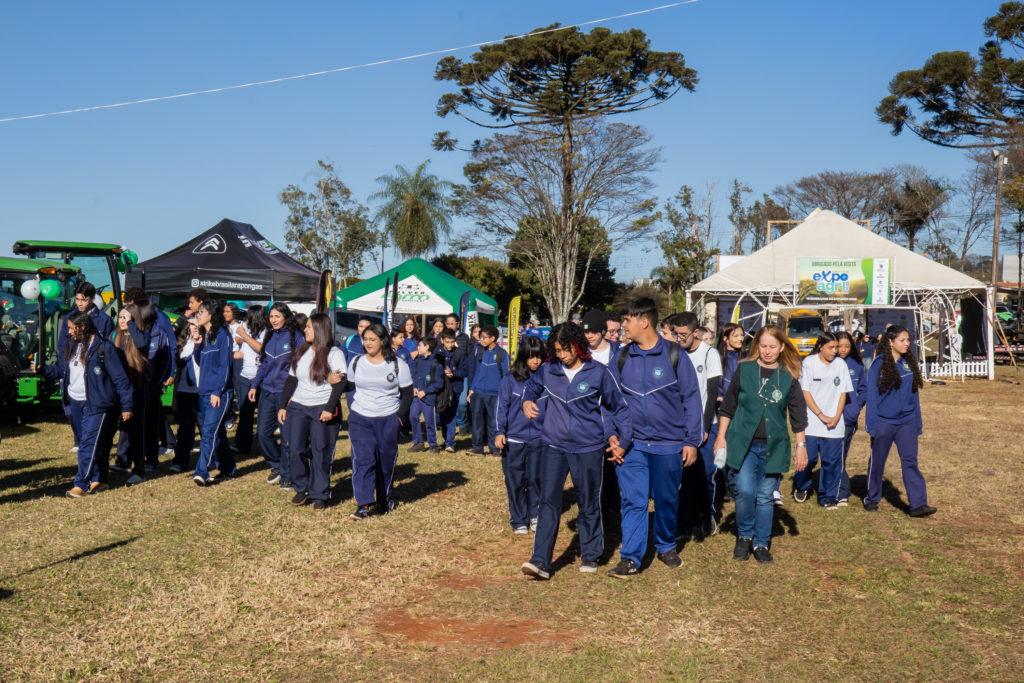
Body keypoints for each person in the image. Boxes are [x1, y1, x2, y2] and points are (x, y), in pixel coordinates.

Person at [519, 322, 631, 580]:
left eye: (565, 350)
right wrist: (526, 401)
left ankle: (591, 555)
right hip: (553, 446)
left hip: (588, 448)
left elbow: (619, 407)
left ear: (579, 346)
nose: (561, 355)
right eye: (557, 350)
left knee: (589, 501)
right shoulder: (548, 369)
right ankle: (541, 562)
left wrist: (624, 439)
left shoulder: (599, 373)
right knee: (548, 502)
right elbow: (531, 387)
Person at [607, 302, 702, 579]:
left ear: (643, 321)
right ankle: (631, 558)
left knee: (665, 499)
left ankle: (665, 545)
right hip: (632, 446)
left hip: (669, 444)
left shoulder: (674, 354)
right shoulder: (622, 357)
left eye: (627, 320)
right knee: (634, 501)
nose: (623, 326)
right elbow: (609, 401)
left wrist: (691, 441)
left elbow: (691, 399)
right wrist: (612, 434)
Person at [715, 325, 808, 563]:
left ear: (781, 347)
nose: (767, 351)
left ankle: (761, 542)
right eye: (763, 346)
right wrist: (721, 437)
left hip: (773, 446)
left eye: (772, 347)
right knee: (745, 491)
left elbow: (798, 414)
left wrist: (801, 446)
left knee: (765, 495)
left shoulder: (788, 376)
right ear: (757, 346)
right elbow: (728, 407)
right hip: (743, 444)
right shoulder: (744, 369)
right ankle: (744, 536)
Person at [36, 311, 133, 497]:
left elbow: (121, 380)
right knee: (96, 444)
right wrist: (44, 370)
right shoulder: (73, 345)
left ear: (83, 327)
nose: (69, 332)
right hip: (76, 402)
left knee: (88, 445)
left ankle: (81, 483)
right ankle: (100, 478)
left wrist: (128, 406)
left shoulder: (104, 348)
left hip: (97, 404)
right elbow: (64, 370)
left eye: (72, 328)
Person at [864, 326, 936, 517]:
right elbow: (871, 398)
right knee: (877, 462)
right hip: (883, 423)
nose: (907, 343)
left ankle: (918, 504)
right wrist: (872, 425)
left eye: (908, 340)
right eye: (902, 340)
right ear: (890, 342)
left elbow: (914, 395)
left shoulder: (907, 363)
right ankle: (872, 498)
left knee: (910, 461)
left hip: (907, 422)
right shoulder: (878, 365)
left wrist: (917, 422)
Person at [345, 323, 413, 519]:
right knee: (363, 459)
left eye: (372, 339)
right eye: (365, 339)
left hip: (387, 419)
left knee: (385, 463)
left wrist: (398, 417)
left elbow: (407, 395)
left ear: (383, 341)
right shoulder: (356, 362)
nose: (367, 343)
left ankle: (385, 499)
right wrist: (334, 382)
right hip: (360, 417)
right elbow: (348, 386)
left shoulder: (399, 365)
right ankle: (364, 504)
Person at [279, 313, 346, 510]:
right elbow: (291, 379)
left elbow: (340, 384)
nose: (305, 330)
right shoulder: (301, 351)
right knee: (295, 448)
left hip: (321, 407)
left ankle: (320, 494)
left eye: (308, 327)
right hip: (299, 406)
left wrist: (329, 408)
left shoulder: (334, 353)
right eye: (306, 327)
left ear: (319, 329)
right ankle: (302, 487)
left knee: (320, 451)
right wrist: (283, 406)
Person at [670, 312, 724, 538]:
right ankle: (684, 522)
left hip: (704, 425)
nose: (679, 338)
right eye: (675, 334)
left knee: (705, 474)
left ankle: (707, 513)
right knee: (682, 477)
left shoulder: (710, 354)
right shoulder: (673, 354)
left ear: (695, 333)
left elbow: (711, 394)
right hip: (678, 427)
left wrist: (704, 428)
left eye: (683, 334)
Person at [791, 332, 852, 509]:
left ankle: (828, 497)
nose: (836, 351)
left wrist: (836, 416)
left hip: (834, 423)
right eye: (831, 348)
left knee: (831, 462)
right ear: (821, 347)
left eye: (837, 347)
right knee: (808, 459)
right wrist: (820, 415)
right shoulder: (809, 363)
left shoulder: (840, 364)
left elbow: (843, 392)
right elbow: (805, 392)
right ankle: (801, 485)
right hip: (812, 423)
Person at [495, 335, 547, 534]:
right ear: (523, 356)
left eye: (539, 357)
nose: (536, 361)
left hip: (539, 438)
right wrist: (500, 431)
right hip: (514, 438)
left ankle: (535, 516)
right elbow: (501, 407)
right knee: (515, 479)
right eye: (532, 357)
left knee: (536, 479)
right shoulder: (510, 379)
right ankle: (518, 520)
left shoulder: (546, 378)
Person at [249, 302, 303, 489]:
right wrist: (255, 385)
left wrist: (293, 393)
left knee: (287, 437)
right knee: (262, 434)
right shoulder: (270, 335)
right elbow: (264, 364)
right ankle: (277, 464)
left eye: (277, 316)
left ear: (285, 317)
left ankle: (288, 475)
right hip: (267, 391)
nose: (273, 320)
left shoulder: (297, 337)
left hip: (285, 393)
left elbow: (299, 368)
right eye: (271, 317)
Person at [56, 281, 115, 452]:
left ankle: (91, 442)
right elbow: (62, 346)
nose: (79, 303)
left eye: (83, 300)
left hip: (93, 371)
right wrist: (63, 366)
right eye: (77, 299)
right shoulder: (69, 318)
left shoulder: (104, 320)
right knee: (70, 407)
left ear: (92, 299)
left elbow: (108, 347)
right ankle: (78, 439)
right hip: (73, 369)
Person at [581, 309, 622, 532]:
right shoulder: (581, 354)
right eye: (586, 332)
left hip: (617, 418)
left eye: (594, 332)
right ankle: (601, 514)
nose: (589, 336)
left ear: (603, 332)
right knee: (597, 471)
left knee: (616, 468)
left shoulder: (621, 353)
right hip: (591, 421)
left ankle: (615, 508)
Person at [188, 298, 236, 486]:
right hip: (204, 392)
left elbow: (225, 366)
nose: (198, 315)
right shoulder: (205, 335)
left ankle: (202, 471)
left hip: (219, 393)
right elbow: (201, 361)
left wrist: (218, 391)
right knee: (217, 433)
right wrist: (197, 343)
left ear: (211, 315)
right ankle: (229, 468)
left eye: (201, 312)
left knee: (209, 432)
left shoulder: (223, 335)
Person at [112, 304, 151, 485]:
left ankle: (139, 470)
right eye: (120, 317)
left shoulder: (139, 337)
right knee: (125, 429)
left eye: (126, 317)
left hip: (137, 390)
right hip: (121, 391)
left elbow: (142, 343)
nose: (122, 321)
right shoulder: (117, 338)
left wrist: (132, 326)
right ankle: (123, 461)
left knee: (137, 432)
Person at [467, 325, 508, 455]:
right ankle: (477, 447)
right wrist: (472, 390)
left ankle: (494, 448)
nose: (481, 340)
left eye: (484, 337)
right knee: (477, 420)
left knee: (493, 421)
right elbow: (477, 372)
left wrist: (504, 393)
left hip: (495, 394)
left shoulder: (502, 354)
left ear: (492, 338)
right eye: (480, 337)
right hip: (478, 392)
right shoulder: (479, 352)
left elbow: (506, 375)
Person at [716, 322, 746, 503]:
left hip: (743, 412)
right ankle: (726, 486)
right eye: (736, 336)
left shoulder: (748, 358)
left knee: (741, 449)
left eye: (742, 335)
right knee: (724, 449)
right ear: (726, 339)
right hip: (725, 412)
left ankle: (738, 485)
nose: (741, 339)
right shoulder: (719, 359)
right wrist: (720, 398)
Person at [836, 331, 866, 506]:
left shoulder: (856, 365)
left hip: (848, 418)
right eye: (840, 345)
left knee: (840, 455)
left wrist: (855, 408)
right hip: (829, 417)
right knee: (833, 455)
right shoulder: (828, 364)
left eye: (847, 346)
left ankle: (841, 492)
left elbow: (864, 389)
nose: (843, 349)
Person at [232, 305, 268, 454]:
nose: (247, 320)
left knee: (263, 413)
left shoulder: (266, 332)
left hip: (260, 377)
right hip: (244, 376)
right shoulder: (246, 329)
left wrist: (244, 336)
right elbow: (241, 347)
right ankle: (243, 445)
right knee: (245, 412)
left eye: (250, 317)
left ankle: (264, 443)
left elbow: (261, 348)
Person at [170, 315, 202, 474]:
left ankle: (211, 460)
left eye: (197, 325)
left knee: (205, 428)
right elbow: (177, 362)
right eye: (191, 325)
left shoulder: (205, 341)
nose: (195, 327)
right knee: (185, 429)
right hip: (184, 390)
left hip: (201, 390)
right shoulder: (182, 343)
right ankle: (180, 461)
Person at [409, 337, 444, 453]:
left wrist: (426, 391)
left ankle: (433, 444)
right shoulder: (418, 361)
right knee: (413, 416)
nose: (417, 348)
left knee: (430, 421)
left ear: (427, 347)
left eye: (420, 345)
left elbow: (439, 383)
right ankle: (418, 442)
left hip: (428, 397)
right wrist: (414, 387)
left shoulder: (435, 364)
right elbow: (414, 375)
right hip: (416, 397)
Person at [436, 329, 469, 453]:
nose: (450, 344)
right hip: (441, 388)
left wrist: (453, 373)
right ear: (442, 341)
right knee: (443, 414)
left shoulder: (460, 353)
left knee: (451, 414)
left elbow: (465, 371)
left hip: (455, 388)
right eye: (447, 342)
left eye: (452, 342)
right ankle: (446, 439)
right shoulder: (437, 353)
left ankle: (450, 442)